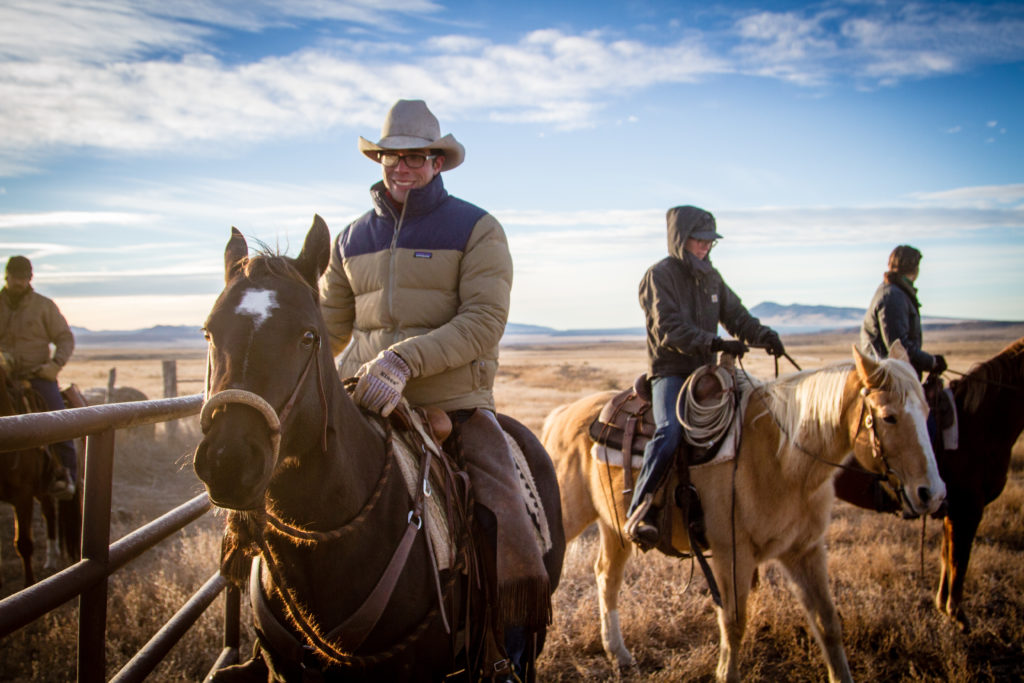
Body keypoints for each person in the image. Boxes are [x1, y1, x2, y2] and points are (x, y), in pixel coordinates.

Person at [318, 100, 549, 660]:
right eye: (391, 156)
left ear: (437, 161)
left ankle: (506, 656)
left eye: (416, 156)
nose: (403, 167)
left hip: (453, 403)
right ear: (378, 159)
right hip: (363, 403)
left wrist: (403, 361)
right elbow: (327, 329)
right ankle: (271, 630)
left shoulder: (476, 227)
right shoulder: (350, 238)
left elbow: (484, 322)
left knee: (506, 520)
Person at [624, 206, 785, 546]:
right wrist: (711, 341)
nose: (705, 247)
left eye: (710, 241)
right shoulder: (660, 275)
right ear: (681, 240)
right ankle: (641, 508)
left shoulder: (711, 277)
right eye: (699, 240)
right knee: (670, 431)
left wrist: (763, 336)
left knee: (756, 415)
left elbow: (737, 317)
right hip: (670, 372)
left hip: (705, 372)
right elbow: (668, 328)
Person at [0, 255, 77, 498]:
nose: (19, 282)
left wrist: (53, 366)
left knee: (58, 422)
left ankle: (66, 477)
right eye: (15, 277)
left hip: (37, 376)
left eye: (23, 278)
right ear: (7, 276)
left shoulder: (43, 306)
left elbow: (65, 338)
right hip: (4, 376)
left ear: (30, 278)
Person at [860, 244, 946, 379]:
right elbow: (898, 346)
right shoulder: (893, 296)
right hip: (890, 379)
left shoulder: (895, 292)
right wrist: (931, 362)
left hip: (893, 374)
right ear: (915, 268)